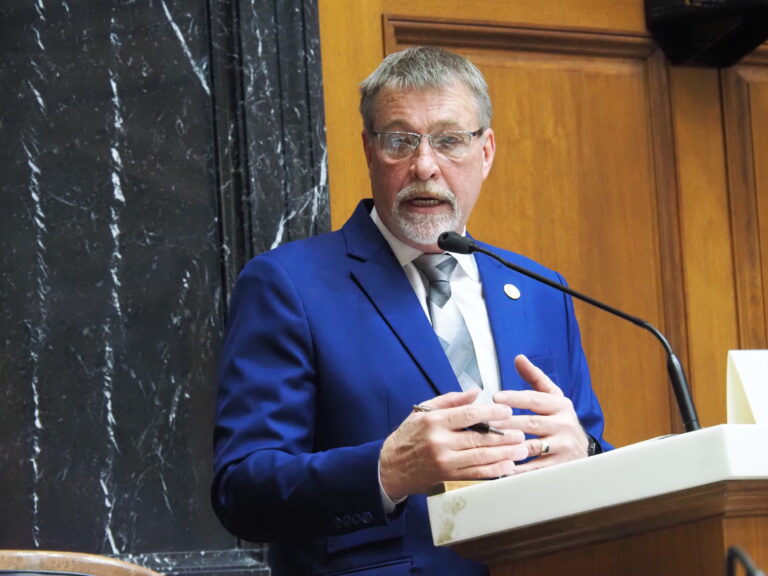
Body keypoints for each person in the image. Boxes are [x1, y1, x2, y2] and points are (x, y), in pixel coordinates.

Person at [212, 46, 611, 576]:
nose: (425, 165)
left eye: (449, 140)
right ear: (368, 149)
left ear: (486, 151)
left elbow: (592, 453)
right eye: (400, 141)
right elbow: (242, 489)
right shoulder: (290, 285)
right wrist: (387, 469)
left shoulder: (540, 290)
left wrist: (584, 452)